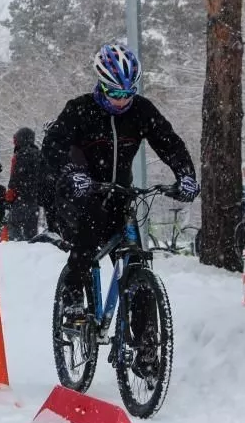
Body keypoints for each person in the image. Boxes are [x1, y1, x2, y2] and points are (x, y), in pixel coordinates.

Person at [42, 43, 198, 326]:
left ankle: (144, 338)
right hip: (81, 193)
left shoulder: (141, 111)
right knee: (89, 235)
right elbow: (53, 145)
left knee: (135, 260)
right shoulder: (80, 109)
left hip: (120, 195)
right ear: (101, 85)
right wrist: (72, 173)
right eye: (114, 93)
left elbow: (169, 143)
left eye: (128, 93)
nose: (122, 101)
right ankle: (72, 294)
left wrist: (185, 174)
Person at [6, 127, 43, 241]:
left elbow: (16, 176)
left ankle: (16, 248)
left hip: (21, 197)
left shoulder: (21, 154)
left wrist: (11, 191)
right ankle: (30, 247)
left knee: (14, 225)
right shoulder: (39, 154)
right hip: (35, 198)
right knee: (31, 231)